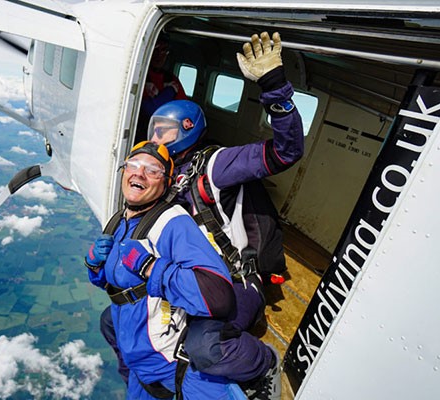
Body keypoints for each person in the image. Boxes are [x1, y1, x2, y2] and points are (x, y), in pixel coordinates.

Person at [102, 31, 304, 400]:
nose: (156, 139)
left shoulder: (213, 167)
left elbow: (286, 152)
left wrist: (274, 86)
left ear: (187, 132)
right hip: (190, 279)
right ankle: (149, 380)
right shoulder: (161, 179)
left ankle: (262, 365)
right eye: (153, 131)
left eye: (164, 131)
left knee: (203, 345)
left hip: (234, 283)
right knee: (113, 319)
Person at [86, 141, 248, 399]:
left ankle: (263, 365)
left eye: (152, 170)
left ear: (165, 184)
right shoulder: (119, 220)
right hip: (139, 365)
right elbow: (119, 286)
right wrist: (95, 266)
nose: (139, 173)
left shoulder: (173, 224)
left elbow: (218, 297)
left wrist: (149, 266)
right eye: (133, 165)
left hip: (174, 366)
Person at [136, 33, 188, 143]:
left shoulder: (171, 79)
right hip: (141, 132)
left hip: (167, 135)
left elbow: (184, 109)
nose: (159, 55)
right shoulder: (140, 76)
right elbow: (150, 110)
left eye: (164, 50)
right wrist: (170, 91)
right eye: (156, 49)